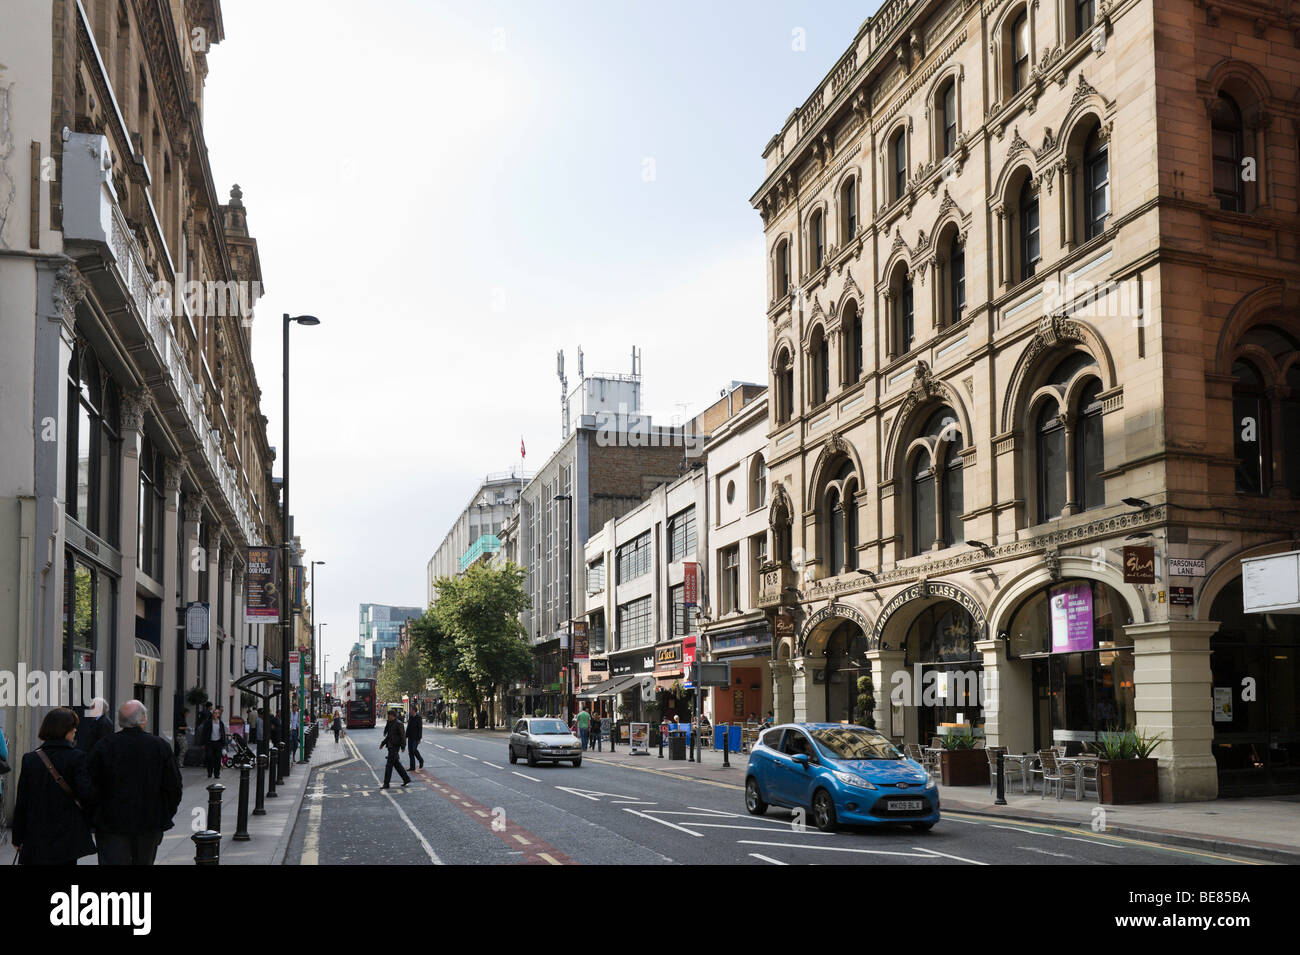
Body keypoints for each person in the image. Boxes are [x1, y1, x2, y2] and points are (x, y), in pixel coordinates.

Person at [88, 700, 183, 866]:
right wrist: (165, 813)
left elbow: (90, 785)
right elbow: (173, 786)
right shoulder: (159, 746)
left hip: (111, 823)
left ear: (119, 721)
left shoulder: (104, 746)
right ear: (143, 719)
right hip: (148, 822)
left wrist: (96, 815)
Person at [12, 707, 97, 865]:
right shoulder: (77, 758)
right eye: (73, 727)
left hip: (35, 834)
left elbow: (22, 800)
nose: (75, 731)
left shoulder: (30, 759)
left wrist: (17, 836)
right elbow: (86, 794)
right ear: (65, 730)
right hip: (66, 835)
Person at [195, 704, 228, 778]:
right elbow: (204, 733)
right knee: (209, 757)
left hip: (218, 743)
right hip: (209, 743)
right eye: (214, 713)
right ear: (212, 714)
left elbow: (223, 734)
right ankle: (209, 772)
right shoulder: (208, 723)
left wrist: (224, 744)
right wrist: (203, 743)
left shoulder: (221, 723)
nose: (215, 714)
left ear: (219, 715)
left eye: (217, 713)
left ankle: (217, 774)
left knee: (217, 758)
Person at [379, 709, 409, 789]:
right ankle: (406, 779)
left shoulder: (399, 724)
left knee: (389, 765)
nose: (388, 717)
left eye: (389, 716)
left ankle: (386, 783)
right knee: (396, 764)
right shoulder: (390, 723)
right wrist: (383, 743)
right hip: (390, 746)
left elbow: (403, 736)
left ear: (393, 716)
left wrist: (403, 746)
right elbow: (389, 736)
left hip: (395, 747)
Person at [406, 707, 424, 771]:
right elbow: (408, 727)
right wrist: (405, 736)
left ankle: (421, 760)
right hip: (410, 737)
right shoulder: (410, 717)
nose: (410, 711)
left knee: (414, 750)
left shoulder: (418, 718)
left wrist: (419, 738)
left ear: (414, 710)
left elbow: (420, 728)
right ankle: (412, 767)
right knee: (410, 752)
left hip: (416, 737)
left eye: (411, 710)